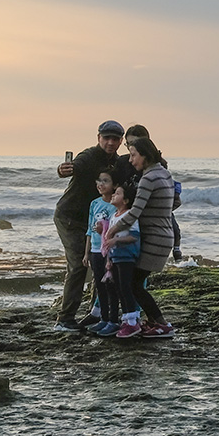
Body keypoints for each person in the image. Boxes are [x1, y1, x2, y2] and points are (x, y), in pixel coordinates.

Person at [53, 120, 124, 332]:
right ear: (98, 138)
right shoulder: (89, 156)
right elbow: (74, 167)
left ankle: (98, 314)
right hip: (71, 217)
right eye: (106, 138)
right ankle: (65, 319)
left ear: (120, 141)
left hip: (97, 221)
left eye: (115, 139)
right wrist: (63, 169)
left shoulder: (118, 163)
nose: (110, 142)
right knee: (78, 264)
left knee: (101, 263)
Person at [104, 136, 177, 338]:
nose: (130, 160)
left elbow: (135, 212)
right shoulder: (164, 173)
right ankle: (154, 322)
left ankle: (162, 324)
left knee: (133, 283)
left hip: (155, 238)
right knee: (135, 282)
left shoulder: (149, 178)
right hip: (163, 235)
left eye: (134, 155)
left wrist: (112, 230)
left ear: (145, 155)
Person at [116, 124, 184, 262]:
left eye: (135, 143)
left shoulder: (158, 167)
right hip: (129, 210)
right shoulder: (123, 162)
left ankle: (177, 250)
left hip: (149, 212)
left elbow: (172, 198)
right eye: (128, 144)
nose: (131, 148)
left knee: (172, 225)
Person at [92, 183, 143, 339]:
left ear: (126, 200)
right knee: (118, 288)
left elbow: (134, 236)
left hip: (127, 257)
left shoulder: (128, 216)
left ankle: (132, 320)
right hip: (115, 258)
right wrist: (108, 260)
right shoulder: (114, 216)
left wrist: (116, 241)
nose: (113, 195)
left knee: (126, 287)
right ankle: (125, 320)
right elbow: (107, 241)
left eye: (118, 193)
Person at [78, 167, 119, 330]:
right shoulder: (94, 203)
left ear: (115, 185)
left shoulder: (115, 204)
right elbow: (89, 229)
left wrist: (106, 230)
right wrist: (86, 253)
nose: (101, 184)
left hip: (109, 251)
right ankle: (103, 318)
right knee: (100, 286)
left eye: (105, 181)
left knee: (111, 286)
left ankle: (113, 320)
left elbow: (119, 226)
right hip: (95, 250)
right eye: (99, 181)